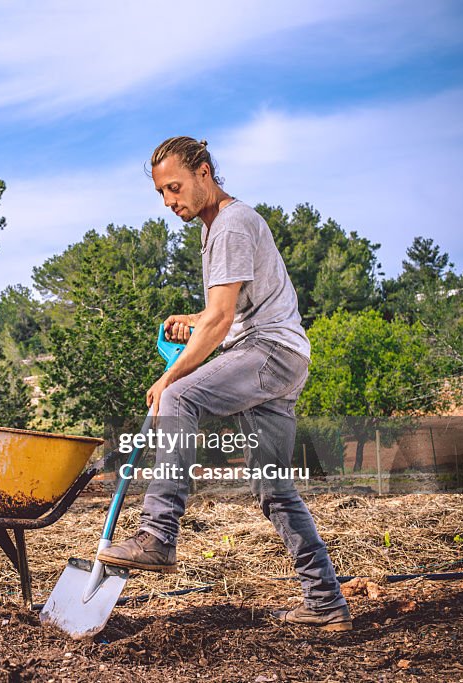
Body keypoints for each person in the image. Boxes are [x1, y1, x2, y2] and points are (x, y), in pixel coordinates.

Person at [96, 136, 352, 631]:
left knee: (178, 394)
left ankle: (158, 534)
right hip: (277, 355)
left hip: (268, 354)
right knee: (275, 488)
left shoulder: (231, 224)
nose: (170, 201)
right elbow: (223, 315)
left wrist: (170, 374)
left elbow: (221, 325)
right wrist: (195, 319)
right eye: (161, 194)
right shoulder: (217, 228)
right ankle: (325, 601)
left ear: (204, 173)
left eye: (174, 188)